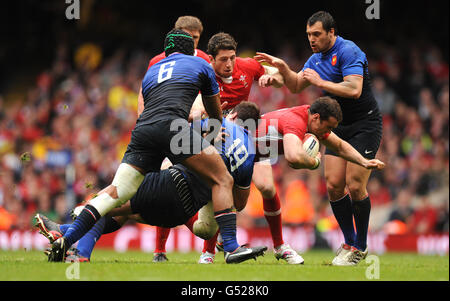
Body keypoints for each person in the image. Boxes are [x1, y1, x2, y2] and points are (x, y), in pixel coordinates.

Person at [47, 29, 254, 263]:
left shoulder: (152, 71)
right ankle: (231, 247)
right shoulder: (201, 64)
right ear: (191, 49)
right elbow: (213, 106)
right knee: (222, 178)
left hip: (143, 130)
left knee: (116, 192)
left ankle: (66, 238)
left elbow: (146, 106)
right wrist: (216, 128)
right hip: (173, 129)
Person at [36, 102, 266, 264]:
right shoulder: (250, 155)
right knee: (122, 213)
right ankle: (65, 234)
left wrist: (202, 127)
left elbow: (175, 141)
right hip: (181, 212)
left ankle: (73, 242)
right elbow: (239, 202)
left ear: (234, 115)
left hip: (172, 184)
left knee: (106, 203)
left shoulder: (220, 125)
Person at [155, 32, 306, 265]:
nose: (229, 64)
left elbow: (276, 73)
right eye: (223, 59)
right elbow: (190, 110)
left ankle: (279, 246)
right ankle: (203, 251)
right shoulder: (201, 74)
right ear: (211, 60)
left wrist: (272, 77)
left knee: (266, 186)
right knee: (187, 178)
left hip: (245, 132)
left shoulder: (246, 67)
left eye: (232, 58)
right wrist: (200, 121)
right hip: (212, 136)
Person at [254, 11, 384, 265]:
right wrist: (280, 72)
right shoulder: (315, 59)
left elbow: (354, 89)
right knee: (334, 186)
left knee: (355, 184)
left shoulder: (349, 51)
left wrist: (322, 81)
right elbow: (294, 85)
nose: (311, 39)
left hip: (364, 124)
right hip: (336, 126)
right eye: (308, 35)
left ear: (331, 33)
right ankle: (348, 243)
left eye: (316, 34)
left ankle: (361, 246)